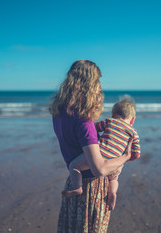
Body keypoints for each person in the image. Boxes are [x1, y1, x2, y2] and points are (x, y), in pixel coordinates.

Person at [50, 60, 133, 233]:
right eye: (97, 82)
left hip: (73, 182)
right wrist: (126, 156)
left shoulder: (59, 113)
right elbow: (100, 169)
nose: (100, 87)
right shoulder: (84, 122)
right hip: (91, 191)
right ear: (90, 85)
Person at [62, 95, 141, 212]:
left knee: (74, 165)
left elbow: (93, 129)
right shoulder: (133, 132)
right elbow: (136, 154)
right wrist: (125, 158)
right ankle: (113, 193)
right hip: (116, 162)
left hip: (100, 156)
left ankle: (77, 187)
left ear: (113, 115)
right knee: (114, 179)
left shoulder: (110, 121)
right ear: (133, 119)